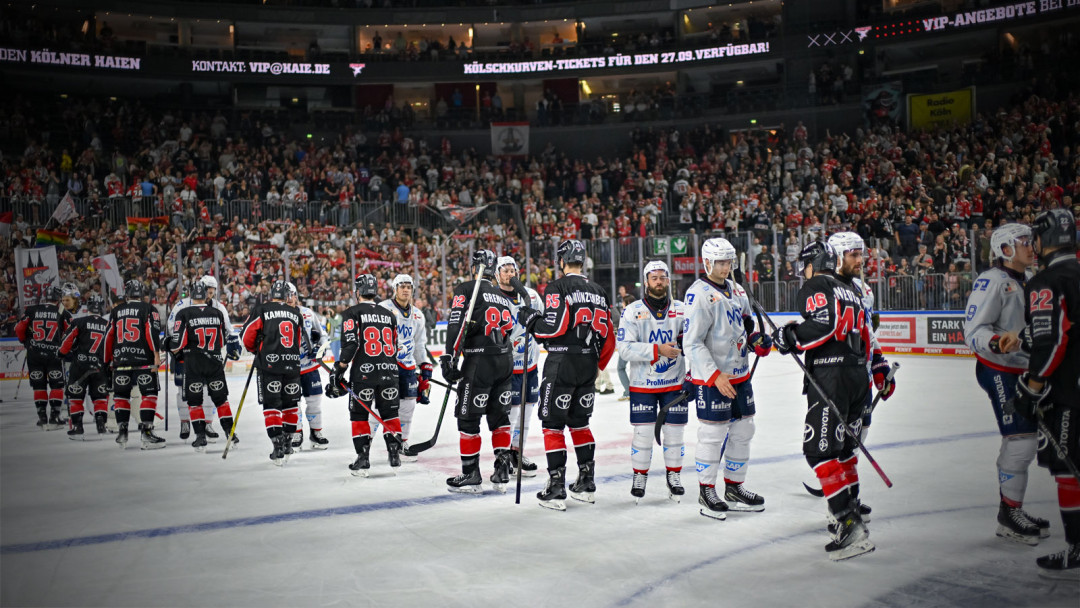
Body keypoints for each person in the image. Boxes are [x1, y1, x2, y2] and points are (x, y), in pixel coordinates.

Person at [772, 242, 874, 560]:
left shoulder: (817, 284)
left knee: (819, 449)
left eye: (804, 265)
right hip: (857, 376)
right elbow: (865, 333)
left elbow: (824, 323)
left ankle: (848, 523)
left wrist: (789, 338)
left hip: (832, 377)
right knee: (843, 448)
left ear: (814, 263)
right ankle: (851, 506)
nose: (803, 272)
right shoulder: (852, 290)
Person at [964, 223, 1049, 545]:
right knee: (1021, 439)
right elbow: (973, 330)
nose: (1031, 247)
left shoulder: (1027, 280)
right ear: (1005, 248)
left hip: (1025, 370)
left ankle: (1011, 509)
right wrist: (999, 342)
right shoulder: (991, 281)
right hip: (998, 369)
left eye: (1030, 241)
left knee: (1027, 440)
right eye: (1023, 242)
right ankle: (1009, 514)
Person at [518, 240, 616, 510]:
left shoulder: (558, 287)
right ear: (582, 261)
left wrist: (531, 320)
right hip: (588, 364)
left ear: (561, 261)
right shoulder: (598, 290)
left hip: (561, 362)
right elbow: (609, 337)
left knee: (552, 424)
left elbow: (554, 327)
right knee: (580, 423)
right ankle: (586, 482)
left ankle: (557, 485)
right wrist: (597, 366)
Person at [1010, 209, 1080, 578]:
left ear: (1043, 239)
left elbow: (1053, 341)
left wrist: (1031, 388)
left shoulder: (1045, 281)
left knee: (1069, 469)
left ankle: (1077, 547)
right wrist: (1023, 337)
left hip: (1070, 393)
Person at [684, 238, 771, 520]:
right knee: (712, 434)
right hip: (713, 378)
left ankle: (734, 487)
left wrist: (757, 340)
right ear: (707, 262)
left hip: (739, 373)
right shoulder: (697, 294)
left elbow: (746, 323)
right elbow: (692, 342)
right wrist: (713, 374)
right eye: (720, 262)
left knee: (744, 430)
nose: (725, 267)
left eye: (728, 262)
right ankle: (706, 489)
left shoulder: (736, 289)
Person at [824, 231, 895, 518]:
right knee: (836, 441)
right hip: (837, 377)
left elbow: (868, 333)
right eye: (853, 255)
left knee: (855, 440)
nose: (860, 260)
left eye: (860, 254)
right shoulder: (824, 288)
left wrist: (879, 365)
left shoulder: (864, 290)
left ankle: (851, 498)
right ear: (837, 257)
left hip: (860, 378)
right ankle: (837, 509)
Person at [440, 250, 516, 494]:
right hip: (505, 361)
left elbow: (456, 324)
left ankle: (471, 473)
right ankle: (502, 467)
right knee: (499, 417)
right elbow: (509, 330)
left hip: (479, 361)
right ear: (493, 270)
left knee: (468, 417)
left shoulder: (467, 289)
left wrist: (449, 358)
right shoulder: (503, 297)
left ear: (474, 268)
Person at [617, 260, 688, 502]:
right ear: (646, 282)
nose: (659, 282)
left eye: (663, 277)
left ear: (668, 280)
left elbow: (694, 341)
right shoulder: (632, 310)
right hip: (642, 384)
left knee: (675, 435)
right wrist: (657, 350)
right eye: (654, 277)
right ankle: (639, 476)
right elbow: (624, 349)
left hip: (675, 383)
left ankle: (674, 476)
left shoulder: (681, 309)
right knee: (643, 434)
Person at [329, 274, 402, 476]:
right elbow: (395, 346)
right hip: (390, 371)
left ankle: (363, 459)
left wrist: (340, 368)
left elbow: (351, 344)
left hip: (364, 374)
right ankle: (394, 453)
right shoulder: (389, 315)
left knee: (360, 415)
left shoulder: (351, 313)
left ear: (358, 292)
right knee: (390, 413)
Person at [240, 279, 307, 466]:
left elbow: (246, 337)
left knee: (272, 405)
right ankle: (287, 442)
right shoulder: (295, 313)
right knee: (291, 404)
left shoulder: (261, 310)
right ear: (287, 296)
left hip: (269, 365)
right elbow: (298, 340)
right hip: (292, 364)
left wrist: (257, 349)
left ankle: (277, 443)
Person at [167, 275, 240, 441]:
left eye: (212, 292)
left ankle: (205, 425)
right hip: (201, 357)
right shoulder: (184, 305)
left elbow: (229, 331)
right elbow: (223, 337)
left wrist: (169, 345)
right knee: (184, 391)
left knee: (200, 394)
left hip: (191, 358)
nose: (210, 295)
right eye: (208, 291)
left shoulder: (214, 307)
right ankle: (185, 422)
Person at [494, 256, 542, 478]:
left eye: (512, 269)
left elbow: (543, 323)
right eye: (504, 270)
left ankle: (517, 452)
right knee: (512, 413)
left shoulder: (531, 295)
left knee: (527, 412)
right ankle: (503, 456)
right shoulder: (493, 297)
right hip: (507, 367)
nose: (509, 273)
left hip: (530, 364)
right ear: (497, 274)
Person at [104, 279, 165, 450]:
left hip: (120, 361)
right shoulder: (148, 309)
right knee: (149, 394)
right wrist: (156, 354)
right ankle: (146, 434)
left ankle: (122, 432)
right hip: (143, 361)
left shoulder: (116, 311)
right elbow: (151, 333)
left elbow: (109, 336)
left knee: (121, 395)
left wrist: (107, 360)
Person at [378, 274, 429, 461]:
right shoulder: (383, 309)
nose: (406, 289)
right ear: (395, 288)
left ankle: (402, 444)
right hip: (386, 365)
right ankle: (364, 445)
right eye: (402, 286)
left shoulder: (418, 315)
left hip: (407, 366)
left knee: (408, 407)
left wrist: (425, 367)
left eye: (409, 286)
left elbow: (419, 344)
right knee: (381, 406)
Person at [15, 285, 72, 429]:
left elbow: (19, 328)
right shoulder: (62, 313)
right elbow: (71, 332)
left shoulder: (32, 310)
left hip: (35, 354)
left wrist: (24, 340)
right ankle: (54, 417)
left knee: (38, 385)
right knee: (56, 385)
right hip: (54, 355)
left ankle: (42, 418)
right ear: (58, 298)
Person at [57, 294, 110, 439]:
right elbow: (112, 346)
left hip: (80, 365)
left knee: (75, 396)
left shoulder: (78, 321)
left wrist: (61, 353)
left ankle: (77, 426)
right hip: (100, 367)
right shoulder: (108, 325)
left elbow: (67, 340)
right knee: (100, 397)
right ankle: (101, 423)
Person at [286, 282, 329, 450]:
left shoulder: (308, 314)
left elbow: (323, 336)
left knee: (315, 401)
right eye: (286, 295)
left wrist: (319, 349)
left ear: (297, 296)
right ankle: (297, 432)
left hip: (310, 367)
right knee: (293, 402)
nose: (290, 298)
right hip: (289, 369)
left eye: (293, 294)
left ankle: (316, 432)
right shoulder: (277, 316)